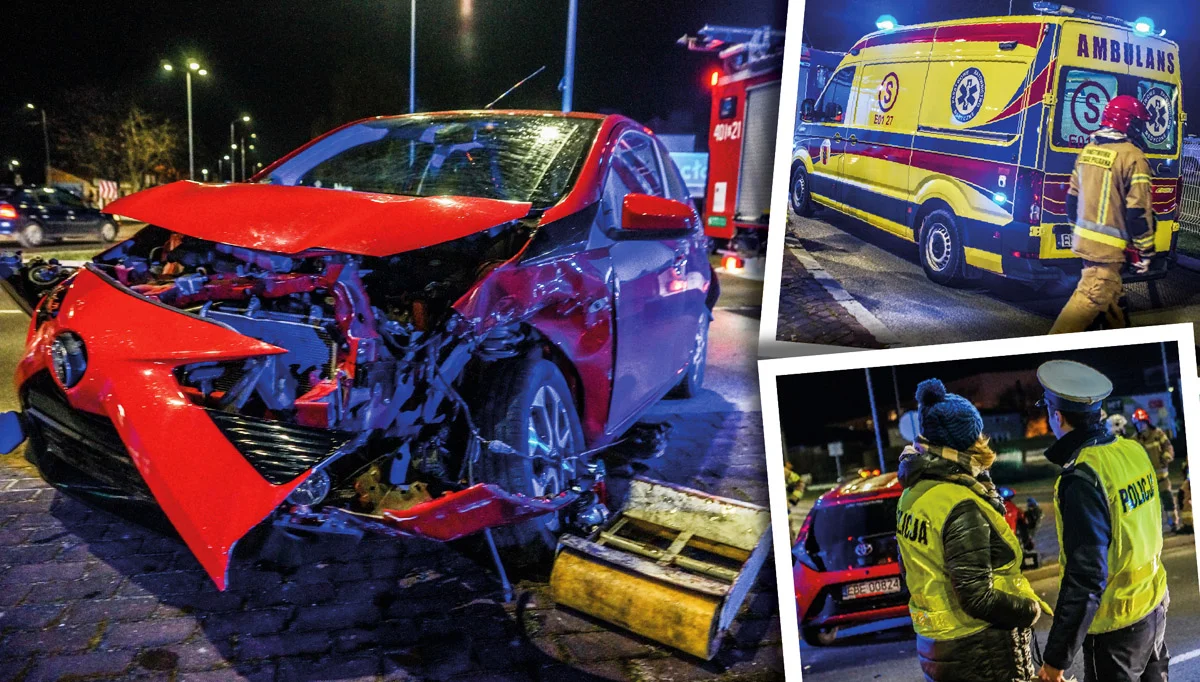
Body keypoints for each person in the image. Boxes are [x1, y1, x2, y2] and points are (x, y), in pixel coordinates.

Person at [896, 378, 1049, 682]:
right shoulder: (960, 501)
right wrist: (1028, 611)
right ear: (965, 440)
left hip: (936, 644)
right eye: (977, 432)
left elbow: (907, 569)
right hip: (979, 650)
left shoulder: (912, 494)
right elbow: (977, 596)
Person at [1036, 361, 1169, 682]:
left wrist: (1054, 661)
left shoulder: (1082, 476)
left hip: (1117, 628)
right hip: (1155, 605)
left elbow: (1086, 576)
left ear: (1057, 417)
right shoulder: (1133, 451)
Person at [1049, 95, 1157, 334]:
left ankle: (1122, 357)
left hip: (1087, 248)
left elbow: (1071, 200)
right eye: (1139, 123)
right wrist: (1146, 250)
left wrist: (1084, 235)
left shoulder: (1088, 151)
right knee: (1082, 308)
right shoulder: (1133, 157)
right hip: (1108, 256)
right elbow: (1137, 211)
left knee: (1114, 308)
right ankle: (1042, 359)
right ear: (1128, 124)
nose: (1142, 130)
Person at [1132, 407, 1179, 532]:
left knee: (1168, 500)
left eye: (1142, 423)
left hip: (1162, 478)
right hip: (1145, 481)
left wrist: (1166, 457)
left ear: (1147, 422)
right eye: (1138, 424)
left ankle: (1173, 523)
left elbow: (1168, 447)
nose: (1141, 426)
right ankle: (1153, 529)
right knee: (1149, 506)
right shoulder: (1134, 440)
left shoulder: (1158, 434)